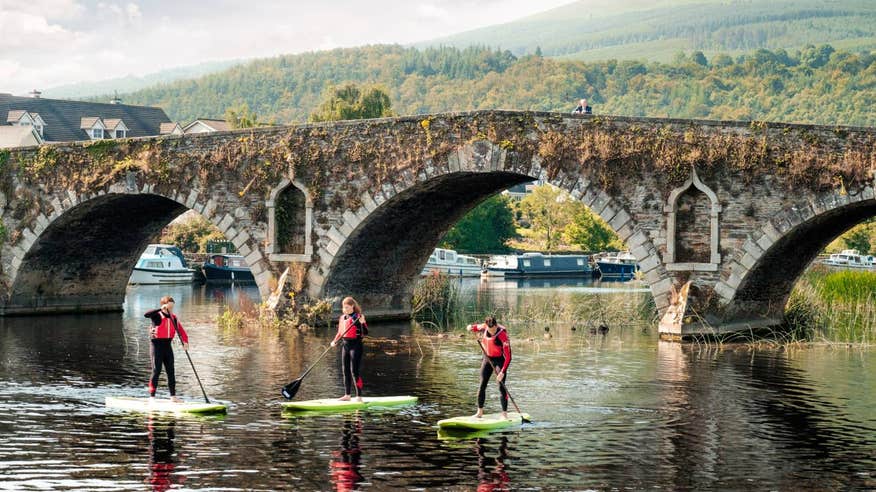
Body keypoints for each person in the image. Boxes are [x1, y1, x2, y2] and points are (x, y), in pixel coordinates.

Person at [144, 296, 189, 402]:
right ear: (164, 305)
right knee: (156, 371)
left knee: (171, 371)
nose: (171, 309)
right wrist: (161, 308)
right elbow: (146, 314)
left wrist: (185, 341)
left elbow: (181, 331)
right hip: (156, 345)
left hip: (167, 346)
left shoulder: (174, 318)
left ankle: (173, 397)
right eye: (169, 306)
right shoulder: (156, 316)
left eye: (172, 307)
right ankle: (152, 397)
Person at [467, 316, 512, 419]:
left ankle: (504, 414)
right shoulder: (484, 327)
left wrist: (502, 372)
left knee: (501, 386)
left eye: (493, 330)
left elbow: (509, 356)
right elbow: (473, 327)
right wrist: (470, 327)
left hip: (499, 361)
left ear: (496, 326)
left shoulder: (502, 335)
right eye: (490, 330)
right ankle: (479, 412)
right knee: (482, 384)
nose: (492, 332)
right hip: (487, 359)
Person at [330, 297, 368, 402]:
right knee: (345, 370)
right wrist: (334, 341)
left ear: (352, 306)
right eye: (344, 307)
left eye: (347, 307)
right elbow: (340, 333)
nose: (345, 309)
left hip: (356, 346)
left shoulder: (358, 317)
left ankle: (359, 396)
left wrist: (362, 322)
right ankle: (347, 395)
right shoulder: (342, 318)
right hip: (345, 346)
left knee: (354, 371)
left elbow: (365, 332)